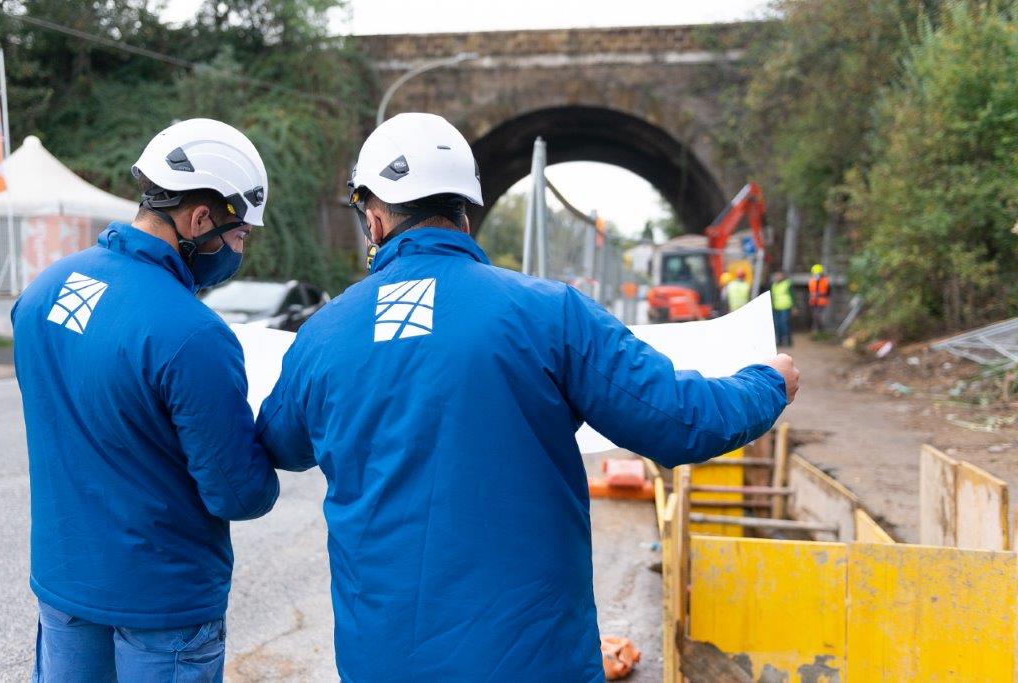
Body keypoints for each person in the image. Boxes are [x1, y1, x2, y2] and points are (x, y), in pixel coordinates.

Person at [256, 112, 800, 681]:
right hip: (532, 661)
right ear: (466, 213)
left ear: (373, 217)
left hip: (383, 664)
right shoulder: (549, 313)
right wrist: (767, 383)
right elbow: (681, 421)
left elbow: (278, 445)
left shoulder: (323, 335)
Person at [12, 118, 278, 682]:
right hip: (163, 602)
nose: (238, 249)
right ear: (200, 218)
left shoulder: (42, 292)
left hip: (65, 581)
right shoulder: (193, 333)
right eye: (239, 235)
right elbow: (238, 493)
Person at [770, 270, 794, 347]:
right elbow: (772, 296)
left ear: (783, 276)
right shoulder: (774, 285)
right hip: (776, 307)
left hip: (785, 307)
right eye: (776, 275)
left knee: (784, 324)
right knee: (777, 325)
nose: (777, 277)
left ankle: (788, 341)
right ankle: (779, 341)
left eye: (779, 275)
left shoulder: (787, 284)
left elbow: (793, 295)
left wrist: (794, 307)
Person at [808, 263, 831, 333]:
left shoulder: (825, 281)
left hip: (821, 301)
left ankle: (820, 329)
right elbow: (809, 291)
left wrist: (820, 294)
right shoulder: (811, 281)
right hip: (813, 301)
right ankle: (817, 329)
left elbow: (829, 292)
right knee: (815, 316)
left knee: (818, 315)